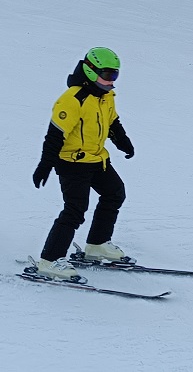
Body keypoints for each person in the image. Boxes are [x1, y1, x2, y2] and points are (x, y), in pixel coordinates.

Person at [31, 47, 135, 280]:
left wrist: (124, 143)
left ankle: (97, 245)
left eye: (115, 75)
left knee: (115, 193)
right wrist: (44, 166)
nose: (111, 81)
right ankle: (49, 260)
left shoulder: (106, 96)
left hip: (97, 159)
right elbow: (54, 136)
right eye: (107, 75)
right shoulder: (72, 99)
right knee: (75, 211)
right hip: (72, 163)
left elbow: (112, 122)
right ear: (89, 71)